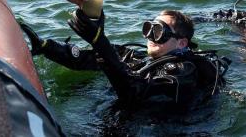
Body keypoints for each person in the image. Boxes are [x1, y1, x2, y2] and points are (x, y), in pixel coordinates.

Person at [21, 9, 230, 107]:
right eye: (149, 29)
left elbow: (135, 94)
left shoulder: (185, 72)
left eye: (158, 32)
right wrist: (47, 47)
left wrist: (100, 43)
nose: (150, 37)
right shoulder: (138, 57)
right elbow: (87, 59)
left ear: (182, 43)